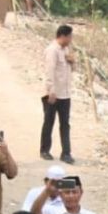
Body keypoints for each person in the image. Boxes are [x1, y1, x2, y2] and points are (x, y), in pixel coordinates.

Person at [41, 24, 75, 164]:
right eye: (70, 36)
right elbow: (49, 71)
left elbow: (71, 70)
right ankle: (44, 150)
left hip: (65, 93)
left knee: (65, 124)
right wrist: (51, 91)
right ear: (63, 36)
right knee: (49, 122)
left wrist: (73, 62)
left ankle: (66, 153)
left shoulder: (66, 49)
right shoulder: (52, 50)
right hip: (53, 93)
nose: (71, 39)